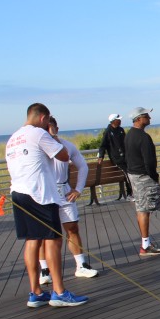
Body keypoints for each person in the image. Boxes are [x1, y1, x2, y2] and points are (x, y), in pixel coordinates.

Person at [5, 103, 88, 307]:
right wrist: (52, 136)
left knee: (32, 240)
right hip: (40, 194)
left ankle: (35, 292)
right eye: (47, 121)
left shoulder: (13, 138)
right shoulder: (39, 133)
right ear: (43, 118)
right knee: (53, 240)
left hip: (19, 193)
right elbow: (63, 156)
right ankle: (59, 292)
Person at [38, 117, 99, 283]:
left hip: (63, 191)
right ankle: (45, 270)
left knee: (72, 227)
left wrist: (78, 189)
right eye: (45, 128)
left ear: (56, 128)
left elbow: (83, 166)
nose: (48, 130)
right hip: (44, 193)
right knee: (44, 233)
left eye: (51, 127)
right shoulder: (37, 146)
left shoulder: (67, 145)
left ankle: (81, 265)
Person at [124, 107, 160, 257]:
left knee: (141, 208)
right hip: (143, 177)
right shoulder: (143, 137)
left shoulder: (129, 135)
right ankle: (145, 246)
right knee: (143, 210)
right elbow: (149, 161)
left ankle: (146, 243)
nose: (149, 118)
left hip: (134, 175)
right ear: (139, 118)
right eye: (147, 116)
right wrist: (154, 176)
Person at [97, 113, 132, 200]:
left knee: (132, 172)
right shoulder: (108, 131)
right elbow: (103, 145)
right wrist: (101, 156)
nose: (120, 121)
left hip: (126, 157)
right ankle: (129, 194)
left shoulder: (121, 129)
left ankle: (132, 193)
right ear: (113, 121)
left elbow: (126, 142)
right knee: (127, 174)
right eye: (118, 120)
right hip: (117, 159)